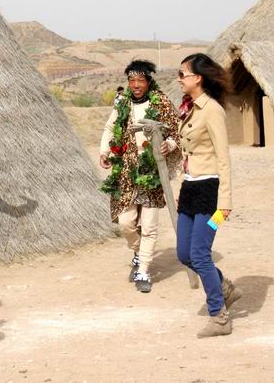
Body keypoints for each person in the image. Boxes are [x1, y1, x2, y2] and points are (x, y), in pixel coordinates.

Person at [99, 60, 182, 293]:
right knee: (126, 223)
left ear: (148, 81)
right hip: (126, 171)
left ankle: (143, 269)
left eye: (140, 80)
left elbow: (176, 130)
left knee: (149, 226)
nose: (135, 85)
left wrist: (169, 144)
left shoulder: (162, 102)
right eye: (131, 80)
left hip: (152, 172)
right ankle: (137, 252)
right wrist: (105, 151)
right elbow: (109, 128)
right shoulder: (122, 102)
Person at [175, 53, 240, 338]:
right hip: (191, 189)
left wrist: (224, 203)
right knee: (184, 253)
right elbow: (190, 150)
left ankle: (219, 315)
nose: (179, 80)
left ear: (197, 78)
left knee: (200, 254)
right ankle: (224, 287)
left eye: (183, 75)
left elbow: (223, 157)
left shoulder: (211, 110)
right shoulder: (190, 108)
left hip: (211, 194)